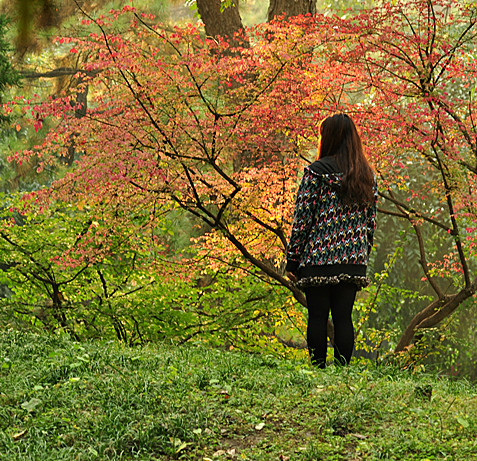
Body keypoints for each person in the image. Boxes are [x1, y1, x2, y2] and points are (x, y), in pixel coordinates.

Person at [286, 113, 377, 368]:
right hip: (352, 259)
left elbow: (302, 219)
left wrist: (292, 260)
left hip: (318, 257)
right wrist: (362, 255)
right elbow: (371, 223)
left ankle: (318, 372)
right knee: (343, 318)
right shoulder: (366, 176)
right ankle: (342, 374)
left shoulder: (315, 173)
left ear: (329, 137)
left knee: (317, 316)